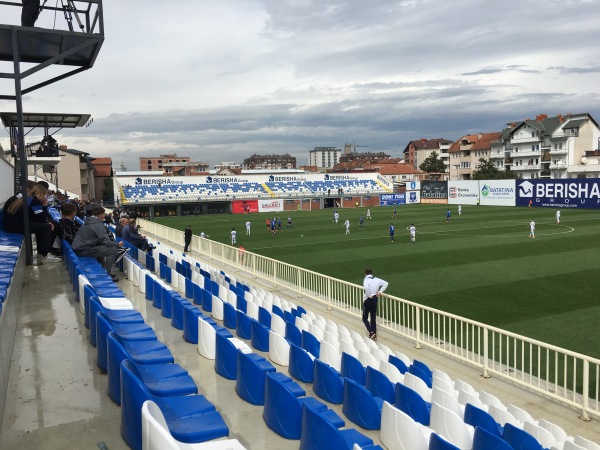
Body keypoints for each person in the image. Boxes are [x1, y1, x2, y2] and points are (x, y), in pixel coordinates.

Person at [3, 183, 60, 263]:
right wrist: (44, 206)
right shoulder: (33, 201)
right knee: (46, 227)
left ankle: (44, 252)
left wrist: (46, 221)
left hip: (12, 225)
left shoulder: (23, 198)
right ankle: (44, 255)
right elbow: (41, 218)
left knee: (45, 225)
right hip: (17, 226)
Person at [72, 206, 126, 281]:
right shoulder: (98, 225)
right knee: (113, 250)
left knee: (101, 248)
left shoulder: (88, 221)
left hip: (79, 248)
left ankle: (105, 271)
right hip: (83, 250)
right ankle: (106, 273)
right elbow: (106, 241)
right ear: (102, 215)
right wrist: (117, 245)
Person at [362, 269, 388, 340]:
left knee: (364, 318)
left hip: (368, 299)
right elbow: (386, 283)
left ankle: (371, 332)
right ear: (372, 273)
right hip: (375, 299)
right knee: (373, 317)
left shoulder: (366, 280)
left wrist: (369, 295)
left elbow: (366, 288)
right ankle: (374, 334)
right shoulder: (377, 279)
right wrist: (380, 292)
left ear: (365, 274)